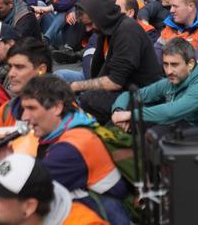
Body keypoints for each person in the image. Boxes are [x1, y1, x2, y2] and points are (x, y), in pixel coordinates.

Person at [19, 76, 131, 224]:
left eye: (31, 108)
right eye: (24, 109)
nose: (24, 117)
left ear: (57, 108)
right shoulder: (75, 122)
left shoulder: (71, 149)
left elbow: (24, 195)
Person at [62, 0, 162, 123]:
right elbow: (100, 72)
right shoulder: (107, 31)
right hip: (123, 90)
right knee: (62, 80)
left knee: (88, 101)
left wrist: (75, 86)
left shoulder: (127, 31)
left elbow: (115, 82)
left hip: (143, 96)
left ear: (102, 17)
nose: (87, 29)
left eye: (90, 24)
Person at [112, 37, 198, 128]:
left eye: (174, 65)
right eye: (165, 64)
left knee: (155, 130)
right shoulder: (170, 82)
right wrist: (119, 111)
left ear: (190, 64)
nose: (168, 71)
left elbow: (171, 112)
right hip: (190, 129)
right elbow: (130, 95)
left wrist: (131, 115)